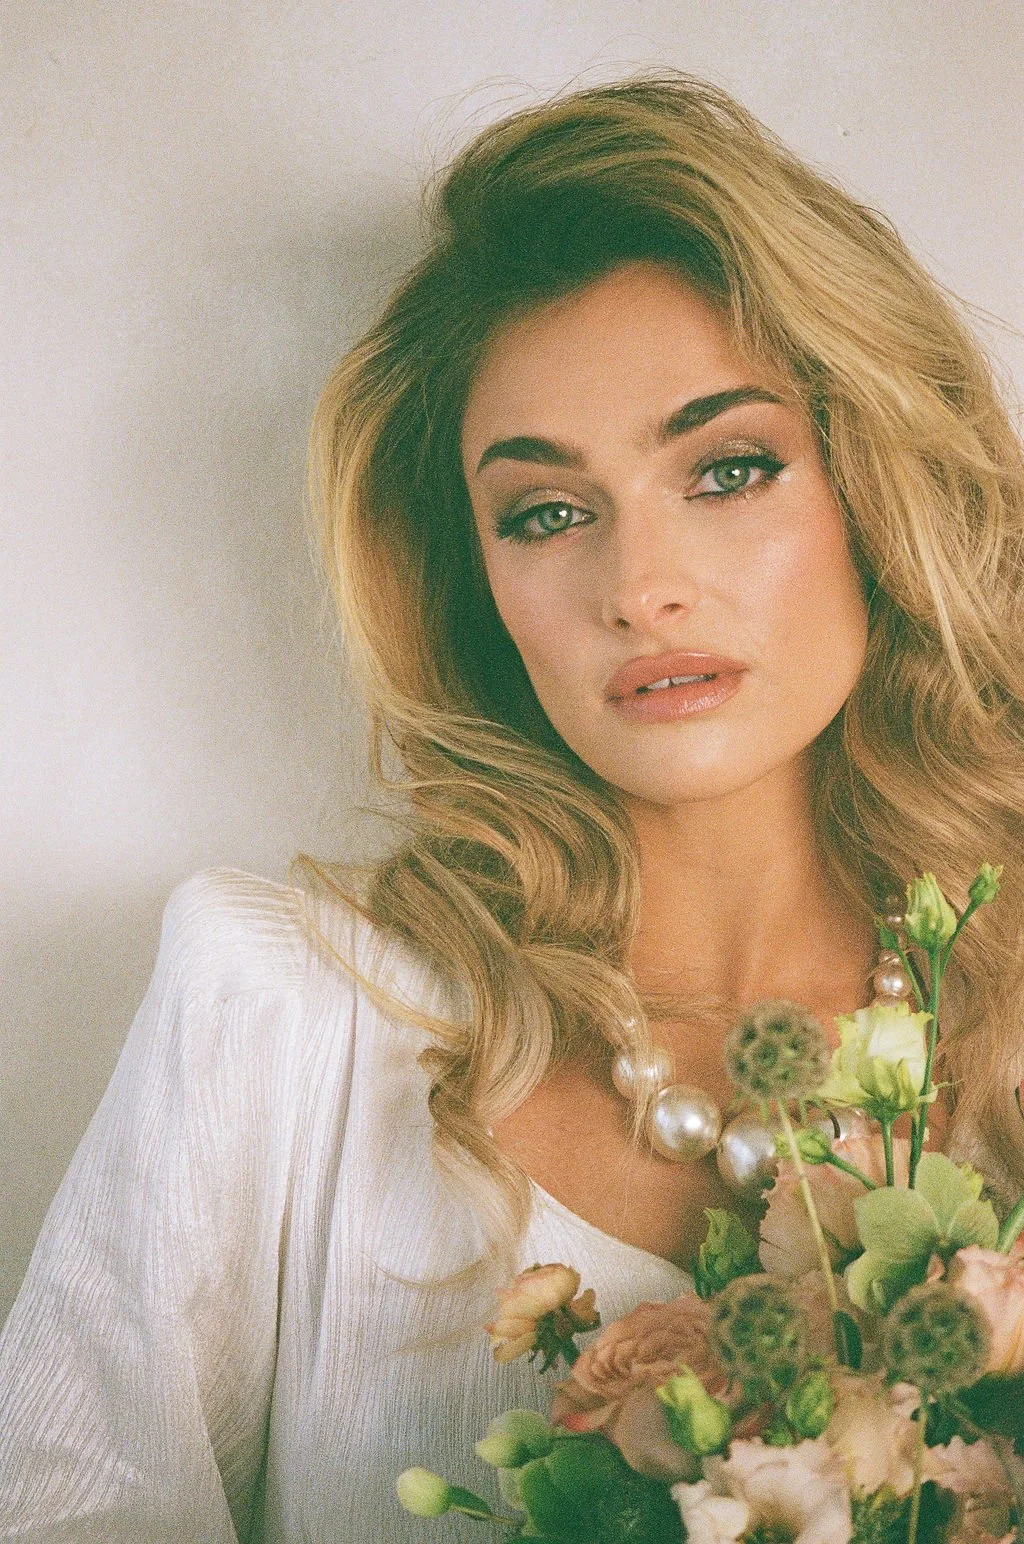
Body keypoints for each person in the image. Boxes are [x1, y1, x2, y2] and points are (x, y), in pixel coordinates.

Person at [1, 70, 1022, 1542]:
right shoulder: (288, 1010)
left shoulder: (1005, 1025)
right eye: (547, 511)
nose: (637, 584)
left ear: (881, 490)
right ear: (478, 584)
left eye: (728, 470)